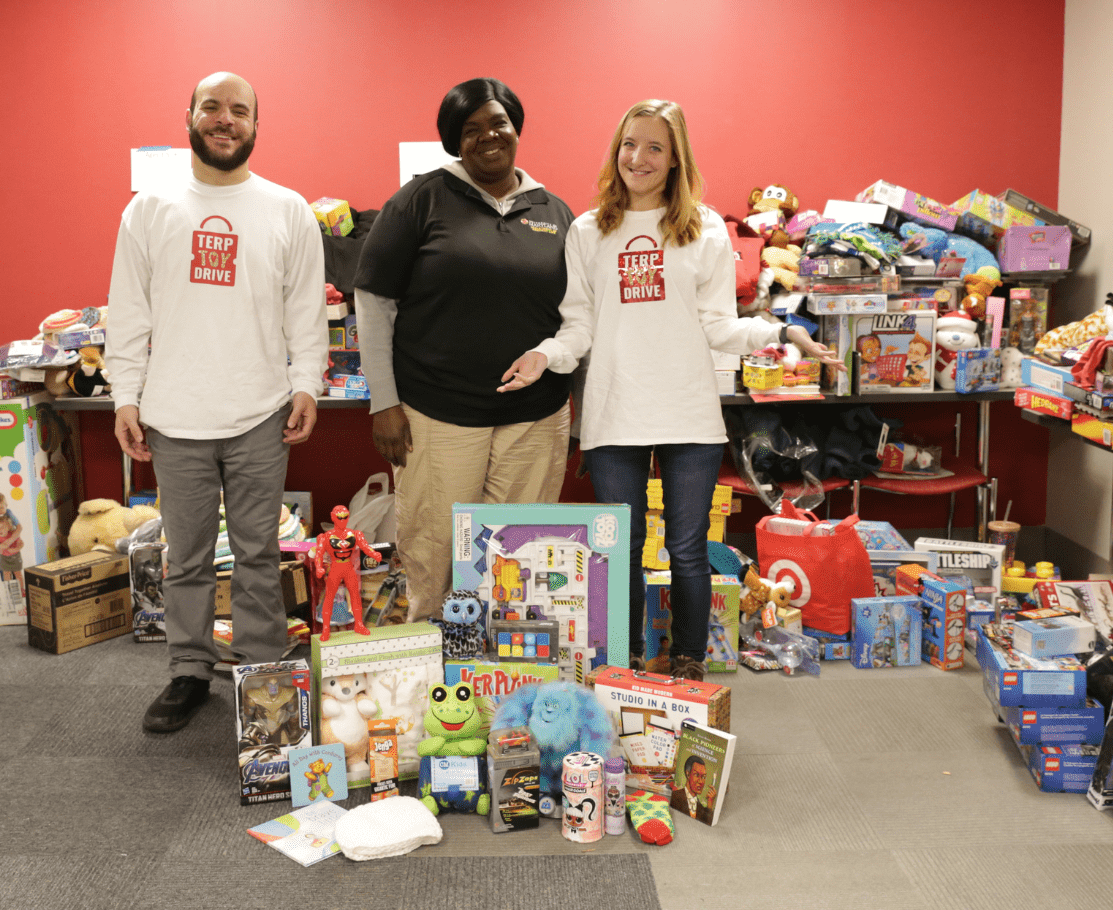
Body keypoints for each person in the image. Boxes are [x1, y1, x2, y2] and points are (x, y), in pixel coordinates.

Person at [500, 99, 840, 681]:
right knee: (623, 552)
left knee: (687, 552)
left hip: (688, 414)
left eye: (655, 147)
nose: (639, 157)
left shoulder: (702, 227)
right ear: (616, 150)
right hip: (613, 414)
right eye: (630, 144)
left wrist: (784, 331)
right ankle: (625, 663)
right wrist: (544, 355)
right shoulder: (588, 230)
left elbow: (717, 325)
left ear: (676, 158)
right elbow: (578, 325)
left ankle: (688, 662)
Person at [106, 71, 326, 734]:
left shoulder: (287, 209)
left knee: (260, 554)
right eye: (212, 107)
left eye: (238, 110)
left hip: (260, 413)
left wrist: (307, 382)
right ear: (190, 116)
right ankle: (189, 671)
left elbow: (305, 309)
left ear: (257, 125)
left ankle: (260, 671)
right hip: (174, 418)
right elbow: (129, 311)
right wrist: (125, 396)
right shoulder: (149, 208)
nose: (224, 119)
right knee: (189, 555)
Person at [355, 78, 574, 622]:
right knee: (435, 553)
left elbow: (579, 319)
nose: (488, 137)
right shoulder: (420, 199)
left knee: (518, 558)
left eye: (498, 123)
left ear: (516, 128)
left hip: (535, 417)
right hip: (438, 414)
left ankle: (506, 672)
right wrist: (383, 402)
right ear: (455, 142)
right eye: (470, 129)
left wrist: (584, 414)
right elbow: (374, 300)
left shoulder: (556, 212)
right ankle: (436, 669)